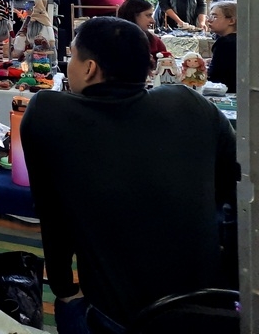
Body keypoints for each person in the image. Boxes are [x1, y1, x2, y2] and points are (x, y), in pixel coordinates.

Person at [22, 17, 236, 334]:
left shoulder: (48, 113)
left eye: (73, 57)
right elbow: (234, 191)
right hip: (213, 310)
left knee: (70, 309)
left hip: (117, 319)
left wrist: (64, 288)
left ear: (89, 68)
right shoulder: (190, 103)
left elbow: (52, 214)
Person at [116, 0, 166, 65]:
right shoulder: (113, 42)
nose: (153, 21)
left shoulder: (154, 41)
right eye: (148, 15)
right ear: (133, 15)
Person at [206, 0, 237, 93]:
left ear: (231, 21)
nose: (209, 20)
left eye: (214, 16)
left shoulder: (224, 43)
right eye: (209, 16)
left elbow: (214, 76)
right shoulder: (242, 40)